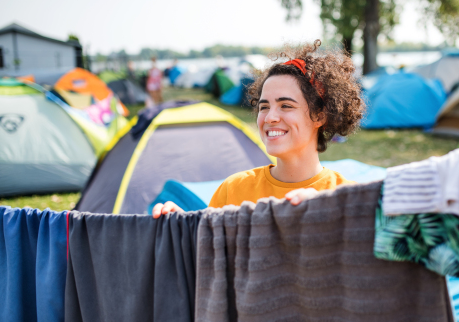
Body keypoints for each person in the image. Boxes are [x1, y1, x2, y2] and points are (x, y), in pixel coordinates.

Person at [152, 40, 365, 218]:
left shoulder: (346, 197)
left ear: (319, 115)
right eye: (264, 106)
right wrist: (181, 229)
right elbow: (210, 251)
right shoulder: (233, 190)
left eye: (286, 106)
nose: (270, 117)